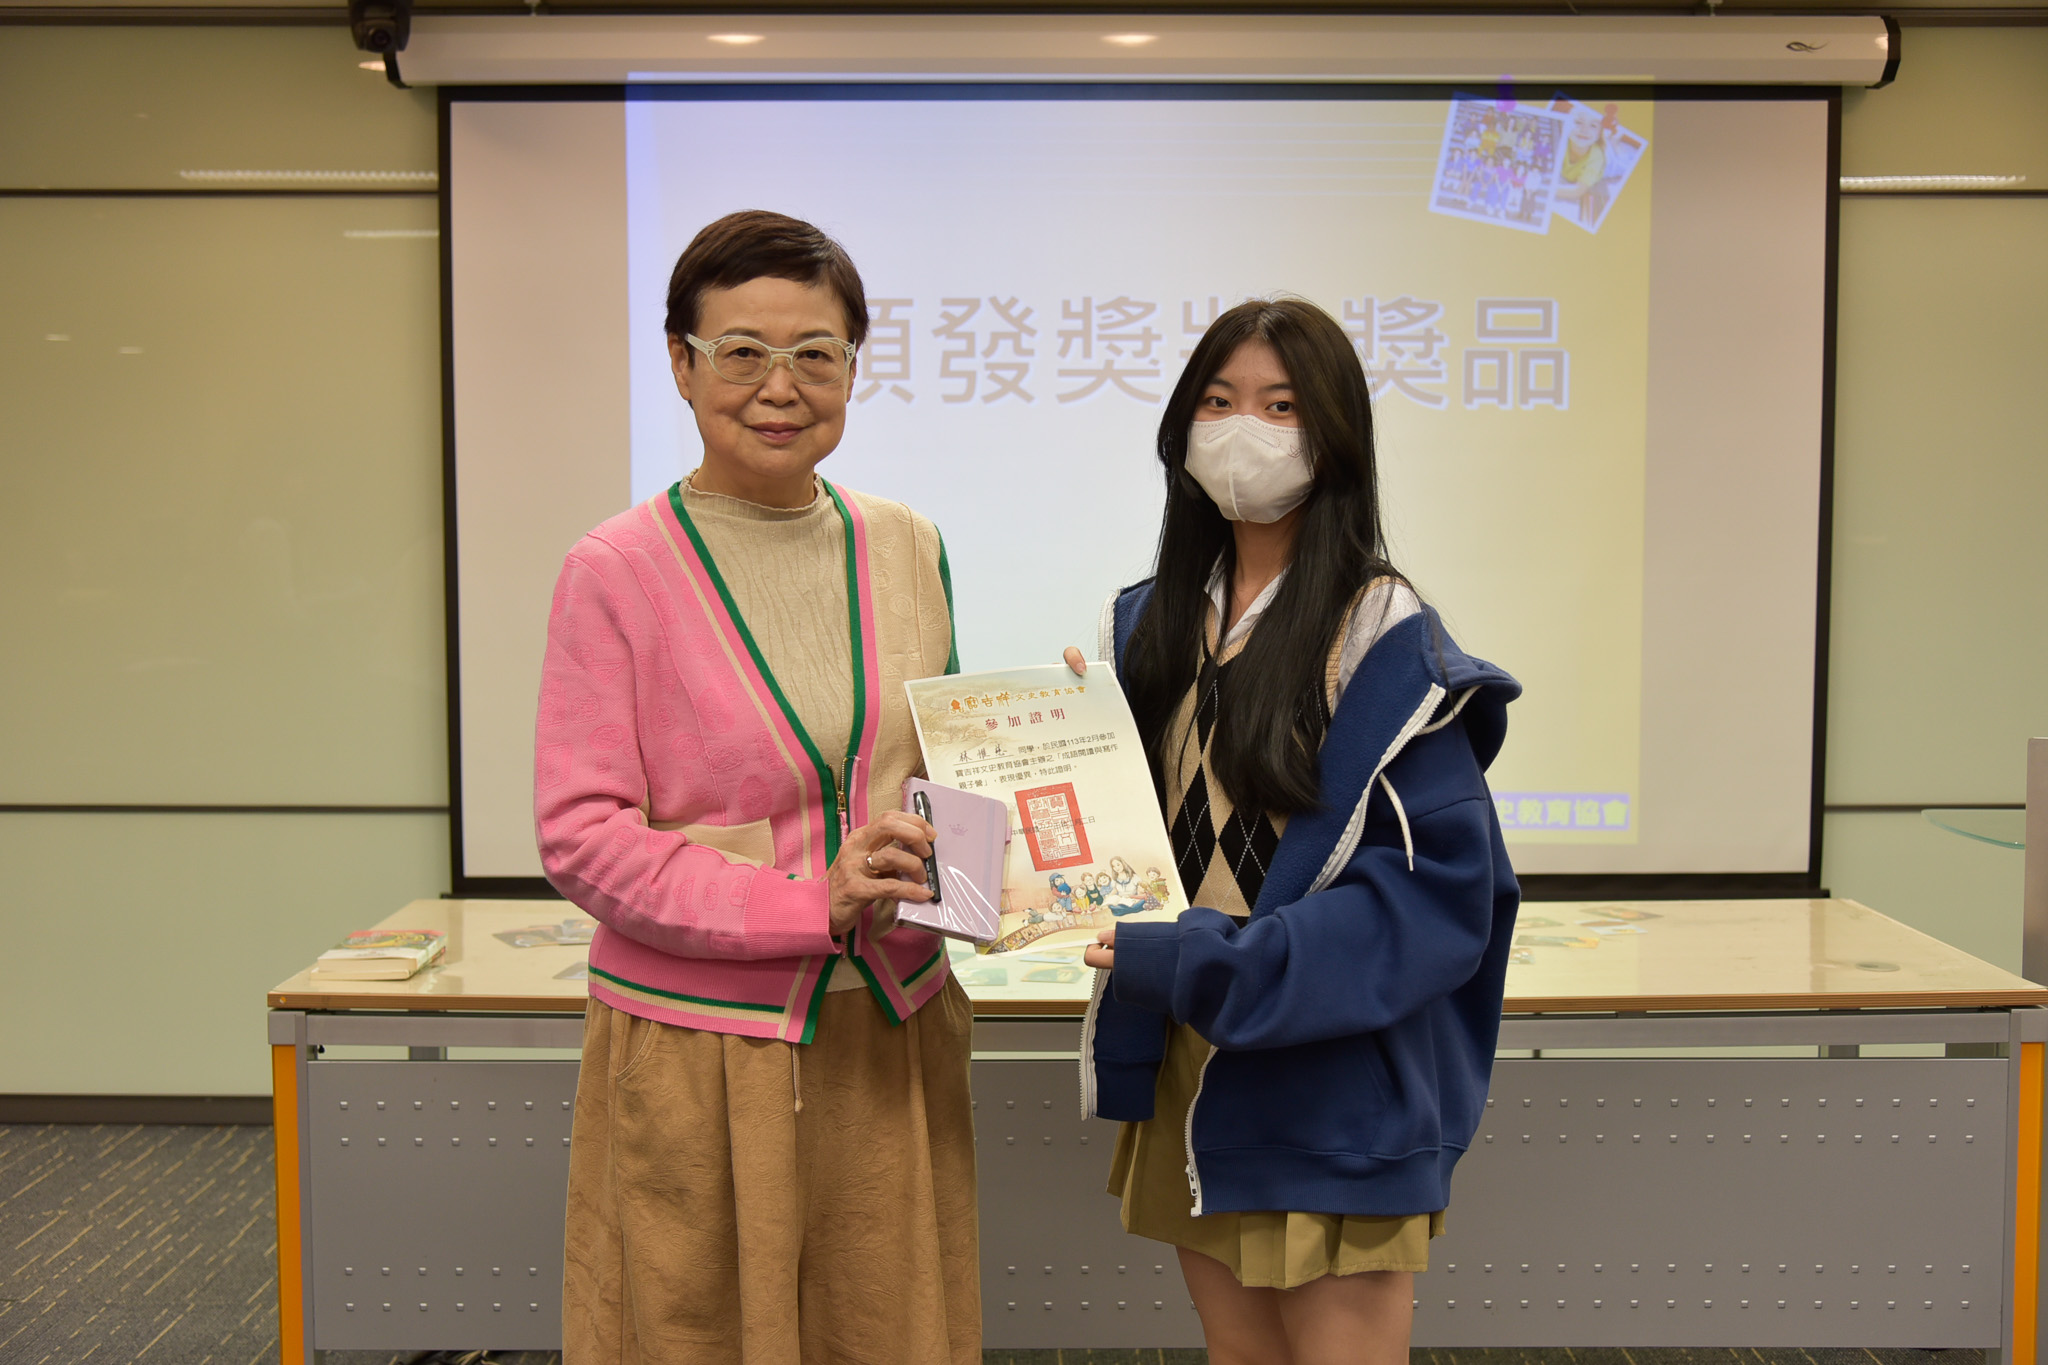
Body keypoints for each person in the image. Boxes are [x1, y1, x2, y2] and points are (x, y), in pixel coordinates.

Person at [534, 209, 977, 1365]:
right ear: (679, 364)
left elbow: (939, 771)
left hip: (887, 1027)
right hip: (703, 1048)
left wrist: (1053, 757)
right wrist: (804, 902)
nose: (780, 387)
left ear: (852, 368)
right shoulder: (615, 569)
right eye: (741, 352)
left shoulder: (908, 543)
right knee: (697, 1336)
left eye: (814, 354)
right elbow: (582, 836)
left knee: (890, 1335)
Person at [1066, 298, 1520, 1365]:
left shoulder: (1386, 646)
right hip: (1195, 1057)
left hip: (1331, 1071)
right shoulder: (1151, 623)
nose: (1243, 432)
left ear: (1334, 437)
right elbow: (1134, 843)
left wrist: (1213, 965)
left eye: (1280, 407)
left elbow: (1431, 906)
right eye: (1218, 402)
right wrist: (1053, 750)